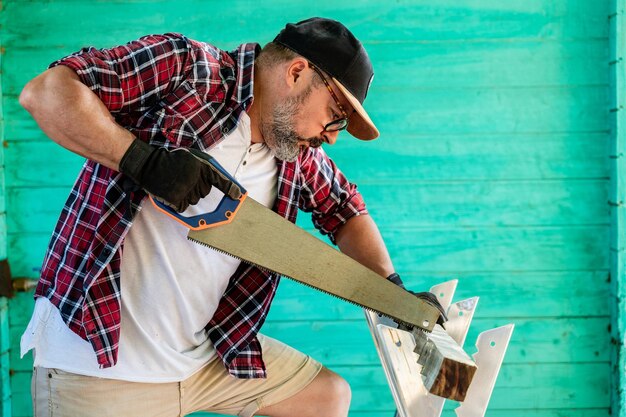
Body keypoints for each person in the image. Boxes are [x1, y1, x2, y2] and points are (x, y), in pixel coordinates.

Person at [18, 17, 443, 417]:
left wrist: (393, 292)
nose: (331, 136)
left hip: (199, 360)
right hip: (100, 361)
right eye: (337, 116)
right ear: (297, 73)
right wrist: (141, 161)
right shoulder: (187, 69)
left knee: (326, 396)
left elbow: (344, 209)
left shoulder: (293, 153)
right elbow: (47, 92)